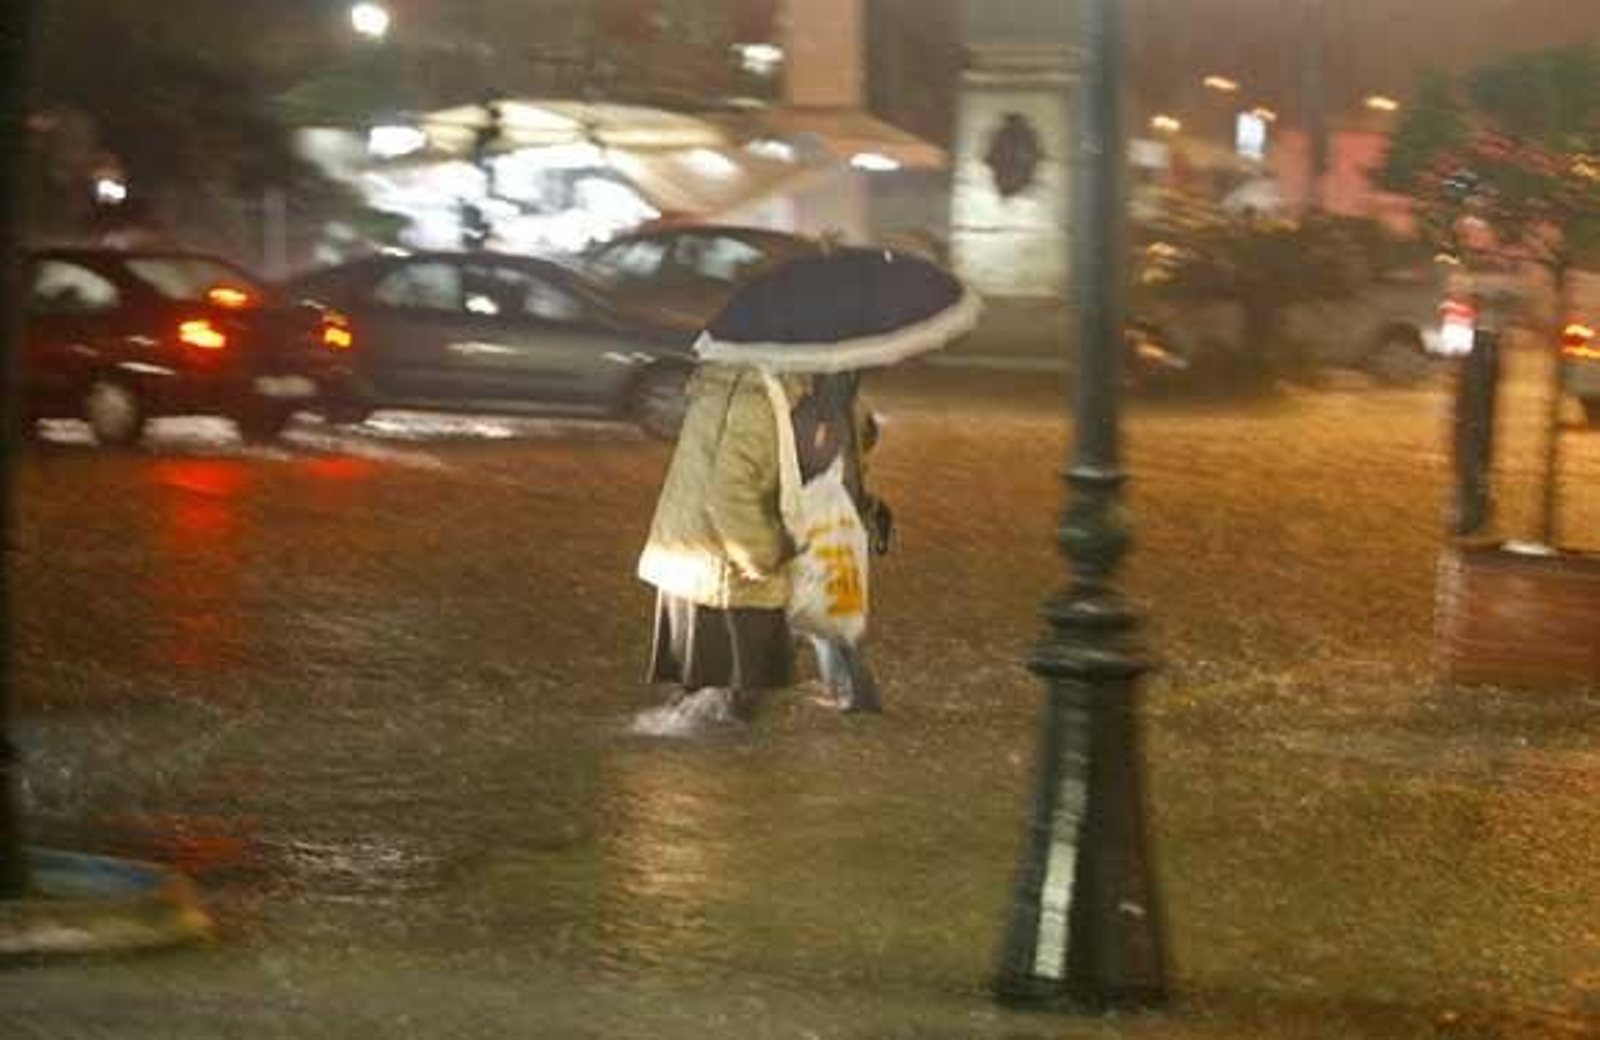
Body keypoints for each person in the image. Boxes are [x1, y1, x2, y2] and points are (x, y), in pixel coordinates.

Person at [635, 361, 810, 734]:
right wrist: (767, 554)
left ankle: (675, 758)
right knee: (730, 719)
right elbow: (728, 495)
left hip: (695, 565)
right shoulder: (757, 403)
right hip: (727, 579)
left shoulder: (731, 386)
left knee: (695, 716)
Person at [790, 370, 890, 714]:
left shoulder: (815, 412)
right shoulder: (854, 409)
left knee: (818, 610)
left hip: (820, 521)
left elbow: (811, 464)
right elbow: (862, 454)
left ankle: (856, 694)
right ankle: (851, 691)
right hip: (844, 521)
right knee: (832, 610)